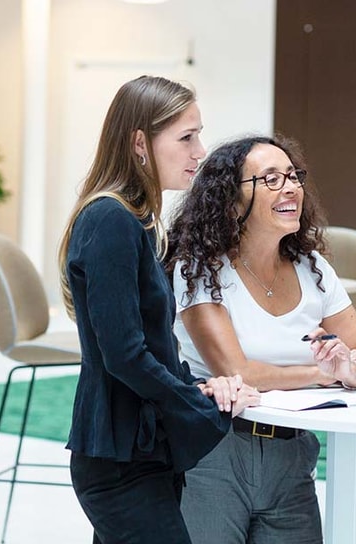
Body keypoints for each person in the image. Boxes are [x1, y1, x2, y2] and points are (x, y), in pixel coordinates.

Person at [58, 76, 259, 544]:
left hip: (142, 450)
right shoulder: (110, 220)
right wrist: (200, 404)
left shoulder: (136, 222)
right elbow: (125, 355)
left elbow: (154, 348)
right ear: (139, 144)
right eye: (186, 137)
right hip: (119, 461)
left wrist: (200, 388)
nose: (200, 150)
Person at [168, 134, 356, 544]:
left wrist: (349, 372)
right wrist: (321, 375)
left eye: (293, 176)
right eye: (269, 179)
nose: (290, 188)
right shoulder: (199, 269)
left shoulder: (314, 267)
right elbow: (237, 372)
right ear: (232, 202)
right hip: (215, 449)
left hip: (293, 452)